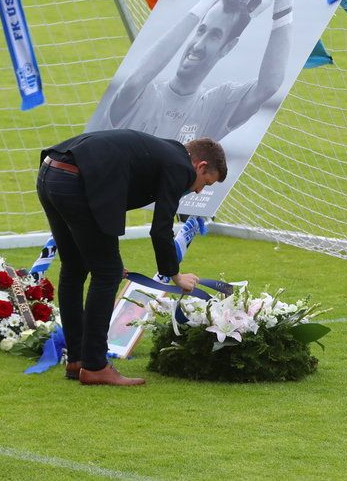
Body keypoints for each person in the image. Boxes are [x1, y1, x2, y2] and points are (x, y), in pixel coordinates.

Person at [36, 129, 227, 386]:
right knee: (106, 273)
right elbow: (160, 229)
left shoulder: (168, 153)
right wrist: (175, 275)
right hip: (75, 179)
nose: (197, 191)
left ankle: (78, 360)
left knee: (74, 267)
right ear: (200, 165)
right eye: (206, 182)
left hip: (51, 173)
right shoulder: (181, 167)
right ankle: (94, 366)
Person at [86, 0, 313, 143]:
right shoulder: (143, 94)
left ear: (227, 48)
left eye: (215, 36)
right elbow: (135, 81)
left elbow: (269, 86)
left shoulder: (217, 104)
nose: (198, 44)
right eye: (201, 30)